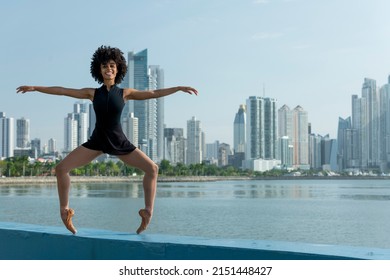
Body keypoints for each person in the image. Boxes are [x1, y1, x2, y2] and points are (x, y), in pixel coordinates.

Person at [16, 45, 197, 235]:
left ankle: (147, 212)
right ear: (99, 70)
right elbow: (63, 90)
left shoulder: (125, 93)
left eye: (112, 65)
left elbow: (153, 94)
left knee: (152, 168)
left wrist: (178, 88)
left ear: (118, 69)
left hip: (119, 141)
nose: (108, 69)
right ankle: (65, 211)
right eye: (104, 66)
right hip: (97, 142)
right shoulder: (92, 93)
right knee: (61, 168)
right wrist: (36, 88)